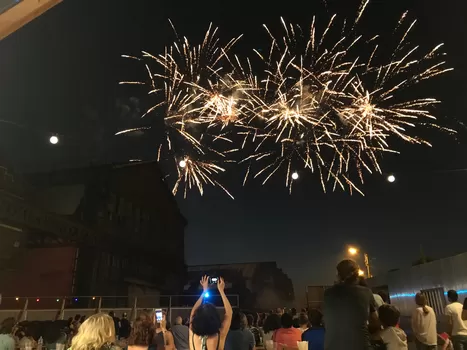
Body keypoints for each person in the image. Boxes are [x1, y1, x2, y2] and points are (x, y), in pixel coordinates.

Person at [323, 259, 379, 350]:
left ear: (338, 276)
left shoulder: (328, 294)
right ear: (357, 275)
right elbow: (375, 322)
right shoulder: (366, 292)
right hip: (360, 346)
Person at [190, 276, 232, 350]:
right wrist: (221, 291)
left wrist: (204, 291)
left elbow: (193, 312)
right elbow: (229, 313)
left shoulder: (193, 334)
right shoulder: (219, 335)